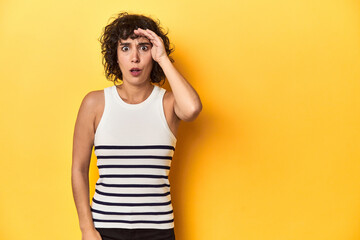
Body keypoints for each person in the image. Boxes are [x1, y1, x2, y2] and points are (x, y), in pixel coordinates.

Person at [71, 12, 202, 240]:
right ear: (116, 56)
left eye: (143, 47)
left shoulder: (169, 104)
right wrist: (86, 229)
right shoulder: (95, 103)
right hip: (104, 229)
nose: (135, 58)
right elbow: (78, 169)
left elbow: (192, 109)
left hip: (158, 230)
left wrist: (163, 59)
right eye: (125, 48)